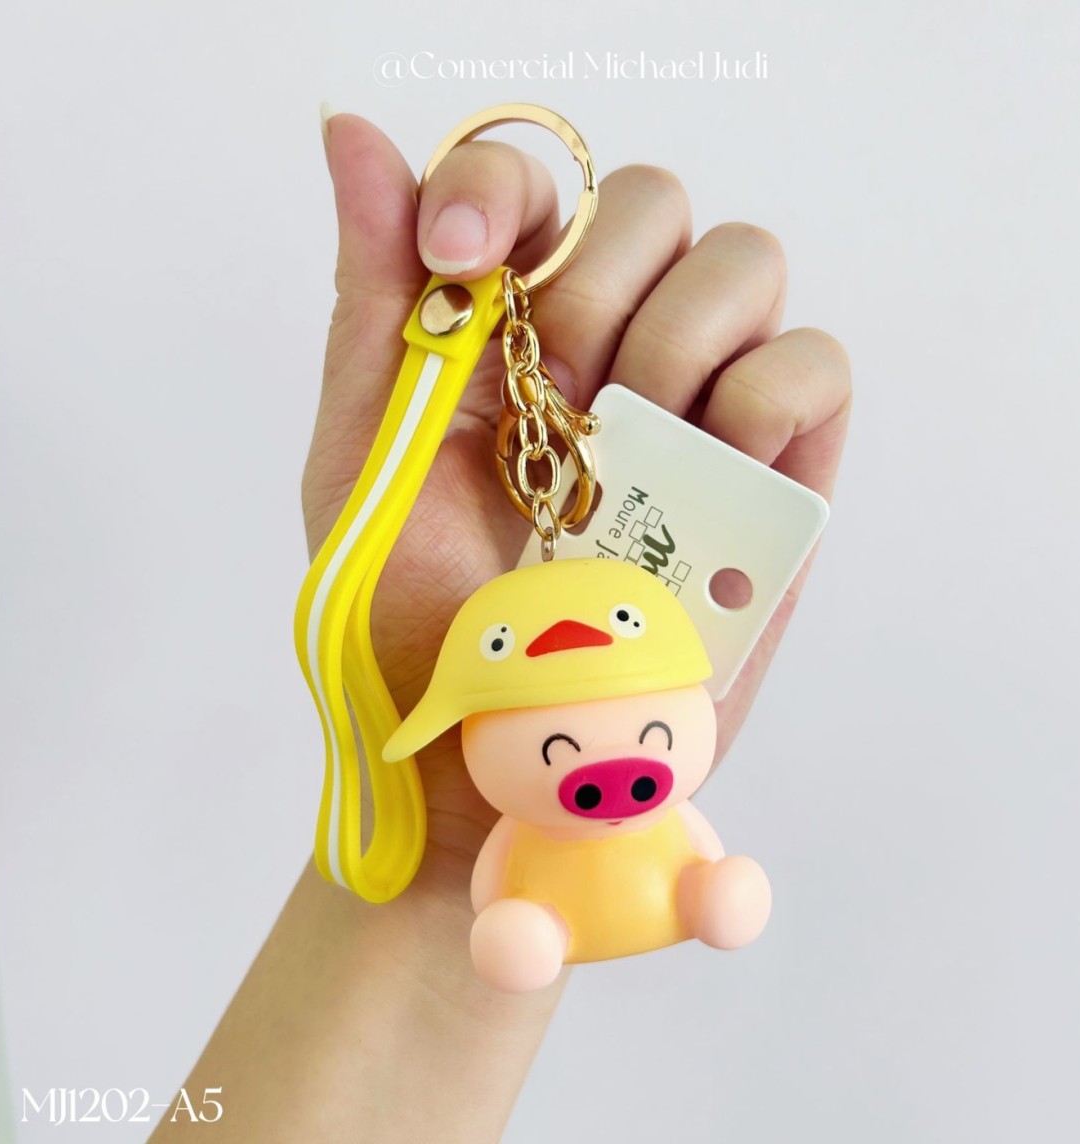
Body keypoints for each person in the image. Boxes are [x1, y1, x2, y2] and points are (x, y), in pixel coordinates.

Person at [149, 107, 852, 1142]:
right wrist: (452, 866)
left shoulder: (581, 788)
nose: (614, 773)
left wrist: (453, 868)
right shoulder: (511, 811)